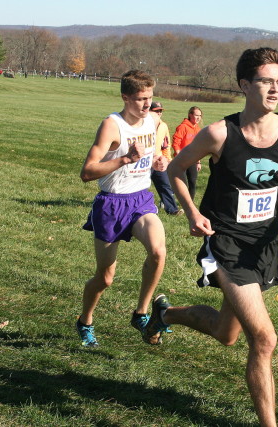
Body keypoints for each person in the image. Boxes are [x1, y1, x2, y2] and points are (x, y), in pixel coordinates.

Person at [144, 47, 278, 426]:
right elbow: (176, 169)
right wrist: (192, 212)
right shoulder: (219, 133)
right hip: (225, 243)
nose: (274, 89)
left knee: (225, 333)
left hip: (264, 245)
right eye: (265, 81)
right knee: (264, 339)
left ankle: (165, 313)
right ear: (244, 84)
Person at [76, 69, 169, 347]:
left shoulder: (152, 120)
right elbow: (87, 172)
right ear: (125, 97)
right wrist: (124, 159)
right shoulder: (112, 125)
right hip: (111, 204)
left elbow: (153, 154)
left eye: (150, 98)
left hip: (140, 198)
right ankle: (85, 321)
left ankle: (141, 313)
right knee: (105, 278)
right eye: (140, 99)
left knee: (157, 251)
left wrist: (158, 161)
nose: (146, 105)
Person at [149, 101, 180, 215]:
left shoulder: (163, 126)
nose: (159, 113)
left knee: (165, 185)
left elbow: (166, 144)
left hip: (158, 160)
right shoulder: (142, 124)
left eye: (160, 110)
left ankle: (172, 210)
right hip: (144, 160)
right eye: (156, 111)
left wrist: (167, 159)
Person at [172, 106, 203, 200]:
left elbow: (198, 147)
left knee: (192, 183)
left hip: (193, 160)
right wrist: (179, 155)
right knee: (181, 183)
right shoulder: (183, 127)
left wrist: (198, 162)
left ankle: (190, 205)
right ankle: (167, 200)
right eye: (196, 115)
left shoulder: (198, 129)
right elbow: (176, 142)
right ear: (190, 115)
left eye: (200, 116)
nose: (198, 118)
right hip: (182, 159)